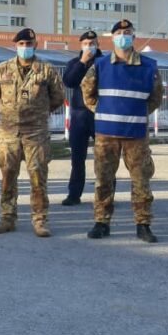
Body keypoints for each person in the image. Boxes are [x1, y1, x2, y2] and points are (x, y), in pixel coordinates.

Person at [81, 19, 164, 243]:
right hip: (106, 134)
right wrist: (104, 110)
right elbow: (87, 93)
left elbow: (156, 98)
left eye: (127, 32)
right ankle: (101, 222)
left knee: (141, 181)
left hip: (136, 134)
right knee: (104, 180)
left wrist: (135, 113)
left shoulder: (149, 66)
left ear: (134, 37)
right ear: (112, 37)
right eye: (119, 32)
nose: (123, 35)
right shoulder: (100, 65)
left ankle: (143, 224)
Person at [0, 28, 66, 237]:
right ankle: (7, 218)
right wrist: (10, 112)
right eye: (21, 44)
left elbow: (57, 98)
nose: (25, 48)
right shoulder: (2, 69)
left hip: (36, 133)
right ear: (15, 46)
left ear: (35, 45)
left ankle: (39, 220)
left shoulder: (46, 71)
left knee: (38, 177)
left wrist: (37, 112)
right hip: (8, 133)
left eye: (29, 44)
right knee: (7, 176)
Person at [62, 30, 101, 206]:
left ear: (98, 44)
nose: (89, 46)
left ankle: (105, 194)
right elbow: (69, 81)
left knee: (104, 158)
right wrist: (83, 62)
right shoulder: (74, 63)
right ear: (81, 45)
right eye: (86, 43)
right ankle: (74, 194)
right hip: (79, 116)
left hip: (100, 115)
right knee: (77, 158)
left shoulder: (106, 63)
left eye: (92, 43)